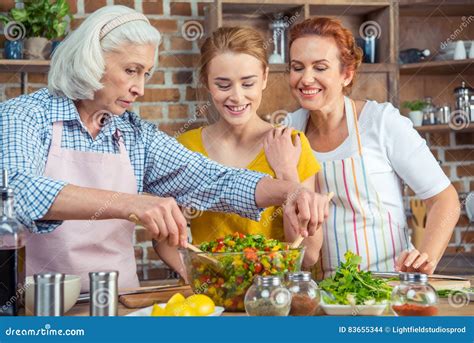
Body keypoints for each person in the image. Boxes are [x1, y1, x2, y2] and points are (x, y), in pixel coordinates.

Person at [0, 6, 330, 292]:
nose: (140, 89)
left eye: (146, 74)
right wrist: (131, 203)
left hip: (119, 300)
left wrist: (289, 191)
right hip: (39, 304)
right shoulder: (26, 116)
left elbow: (212, 179)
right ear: (91, 60)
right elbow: (15, 191)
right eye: (131, 70)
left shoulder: (134, 134)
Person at [281, 17, 460, 278]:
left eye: (320, 68)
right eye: (297, 67)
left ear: (346, 74)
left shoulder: (381, 122)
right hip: (320, 293)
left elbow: (444, 199)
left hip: (386, 288)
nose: (306, 79)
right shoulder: (290, 130)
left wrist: (424, 260)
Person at [175, 27, 323, 267]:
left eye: (247, 83)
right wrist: (194, 280)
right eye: (223, 85)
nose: (236, 96)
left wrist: (286, 173)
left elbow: (308, 254)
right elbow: (165, 236)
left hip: (272, 295)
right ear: (206, 82)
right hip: (211, 296)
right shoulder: (186, 146)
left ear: (264, 77)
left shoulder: (292, 143)